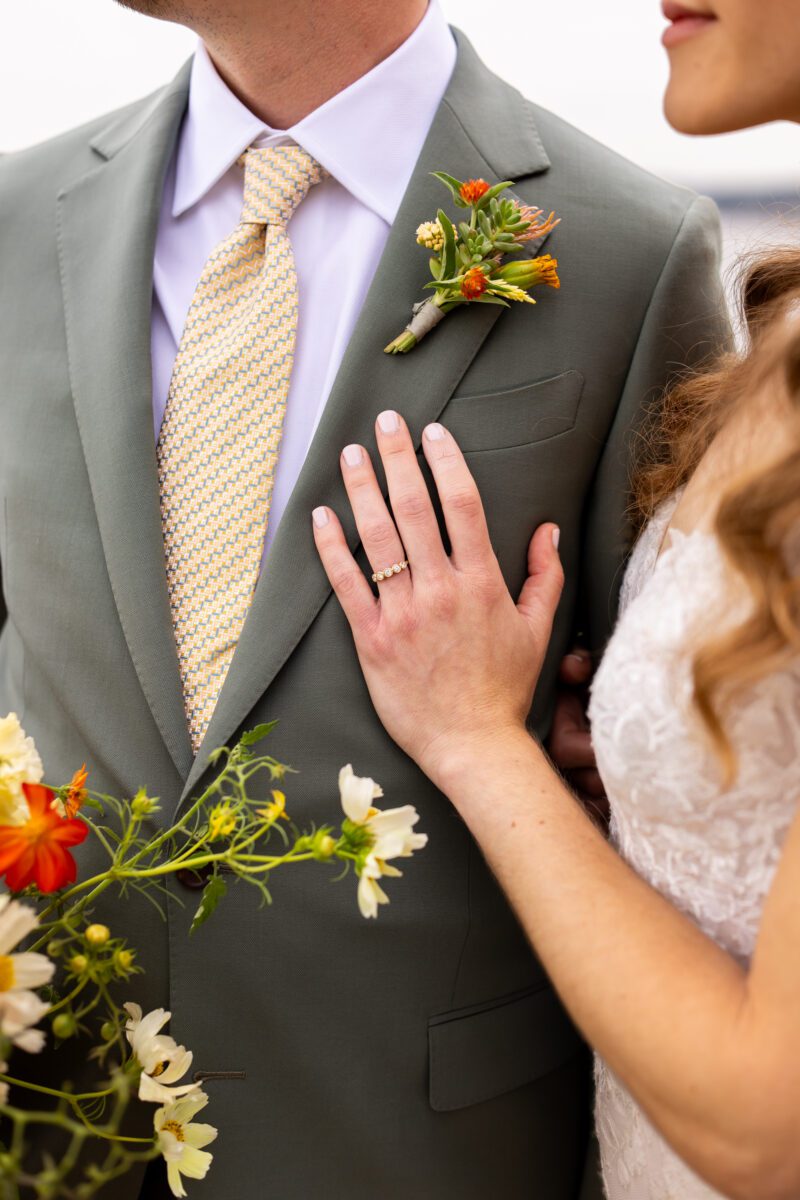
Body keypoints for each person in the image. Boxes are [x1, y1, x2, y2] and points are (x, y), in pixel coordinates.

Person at [0, 0, 728, 1195]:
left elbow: (675, 776)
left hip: (415, 1138)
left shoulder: (628, 247)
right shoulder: (18, 217)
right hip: (50, 1122)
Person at [311, 2, 800, 1198]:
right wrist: (647, 770)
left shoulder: (640, 245)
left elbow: (767, 1129)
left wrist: (478, 739)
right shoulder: (779, 338)